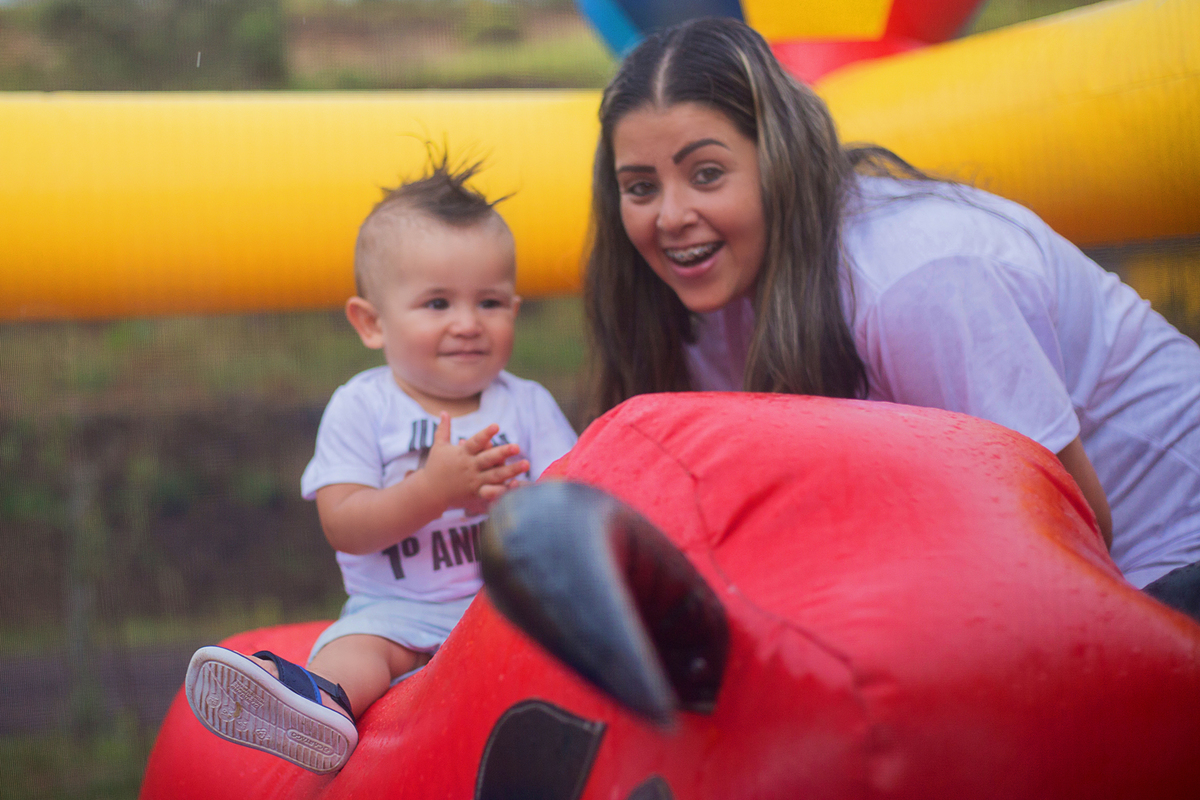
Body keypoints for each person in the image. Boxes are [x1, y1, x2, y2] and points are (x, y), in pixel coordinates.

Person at [584, 17, 1200, 617]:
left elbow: (1075, 535)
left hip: (1168, 552)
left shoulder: (914, 280)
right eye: (640, 188)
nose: (670, 216)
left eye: (707, 174)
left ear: (780, 159)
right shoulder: (697, 295)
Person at [185, 158, 578, 773]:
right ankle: (312, 703)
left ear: (515, 309)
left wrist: (516, 504)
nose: (468, 324)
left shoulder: (527, 404)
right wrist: (434, 490)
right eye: (438, 302)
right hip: (395, 613)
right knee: (356, 650)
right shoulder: (363, 406)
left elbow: (575, 501)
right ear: (372, 322)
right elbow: (345, 523)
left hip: (505, 610)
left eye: (491, 302)